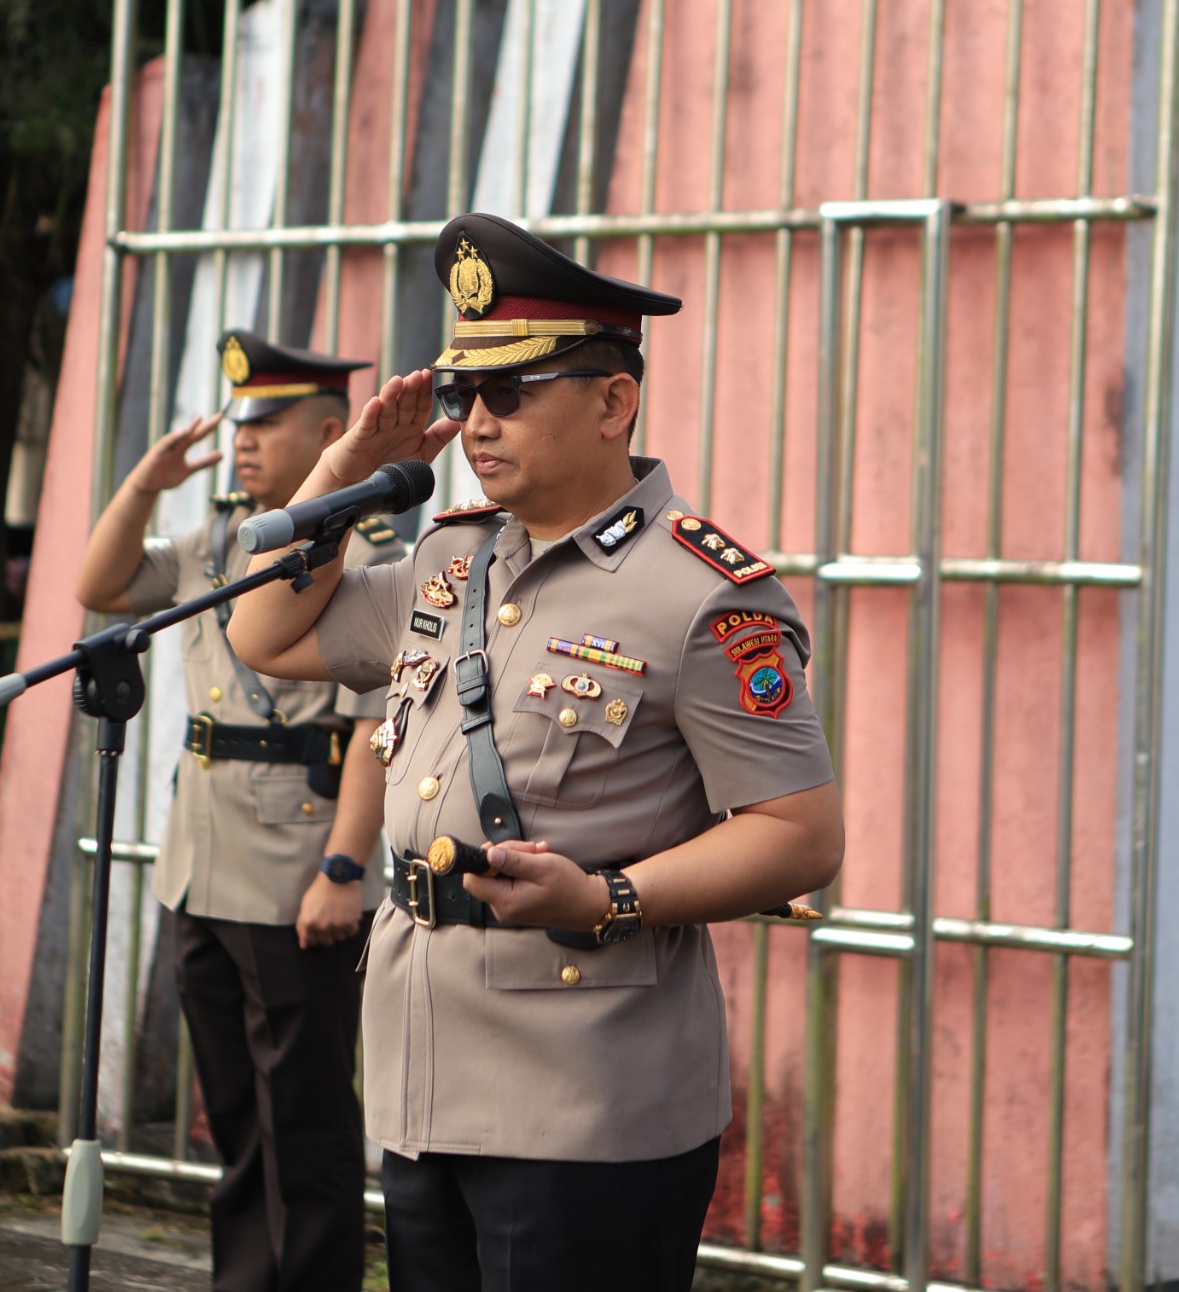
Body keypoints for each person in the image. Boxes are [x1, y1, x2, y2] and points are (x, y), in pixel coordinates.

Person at [227, 215, 845, 1292]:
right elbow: (263, 634)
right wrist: (344, 466)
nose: (476, 422)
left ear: (613, 402)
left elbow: (799, 835)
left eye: (510, 392)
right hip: (428, 1071)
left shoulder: (703, 593)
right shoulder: (451, 557)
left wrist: (606, 896)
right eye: (465, 392)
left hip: (587, 1093)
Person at [73, 329, 403, 1292]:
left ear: (331, 434)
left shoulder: (369, 551)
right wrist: (146, 483)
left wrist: (344, 869)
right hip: (201, 862)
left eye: (267, 423)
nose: (244, 440)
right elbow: (98, 586)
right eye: (241, 424)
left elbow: (377, 732)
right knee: (237, 1120)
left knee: (305, 1118)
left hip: (298, 869)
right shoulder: (220, 539)